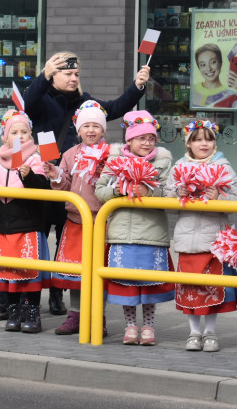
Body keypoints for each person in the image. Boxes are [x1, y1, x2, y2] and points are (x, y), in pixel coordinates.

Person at [23, 52, 150, 317]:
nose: (73, 78)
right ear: (53, 76)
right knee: (38, 237)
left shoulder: (86, 102)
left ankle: (57, 293)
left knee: (64, 241)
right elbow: (28, 101)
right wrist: (44, 75)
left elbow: (115, 108)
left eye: (76, 74)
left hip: (75, 182)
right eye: (67, 74)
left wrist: (137, 86)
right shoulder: (42, 98)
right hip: (45, 177)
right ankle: (29, 300)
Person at [162, 120, 237, 352]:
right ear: (188, 143)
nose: (204, 144)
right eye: (197, 139)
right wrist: (178, 194)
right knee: (190, 288)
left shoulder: (224, 167)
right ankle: (193, 332)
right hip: (187, 238)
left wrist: (219, 196)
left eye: (208, 139)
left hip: (214, 239)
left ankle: (210, 332)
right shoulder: (179, 167)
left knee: (212, 289)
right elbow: (166, 203)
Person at [96, 110, 174, 346]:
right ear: (129, 140)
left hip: (152, 232)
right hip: (121, 233)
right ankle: (130, 326)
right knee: (126, 286)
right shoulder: (115, 161)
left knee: (149, 284)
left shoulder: (163, 162)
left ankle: (149, 326)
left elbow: (170, 190)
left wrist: (149, 191)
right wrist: (118, 191)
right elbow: (100, 191)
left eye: (151, 138)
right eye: (141, 138)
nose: (147, 142)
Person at [0, 109, 51, 333]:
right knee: (10, 273)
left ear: (31, 134)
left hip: (28, 224)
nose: (20, 135)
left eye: (24, 131)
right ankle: (13, 310)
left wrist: (29, 176)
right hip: (4, 226)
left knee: (29, 273)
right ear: (4, 137)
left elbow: (44, 190)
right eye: (14, 132)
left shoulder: (36, 159)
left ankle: (32, 311)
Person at [42, 100, 110, 337]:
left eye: (96, 126)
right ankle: (75, 315)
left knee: (98, 272)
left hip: (102, 223)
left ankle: (97, 317)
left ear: (103, 129)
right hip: (75, 220)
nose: (91, 130)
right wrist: (55, 175)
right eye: (86, 126)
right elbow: (65, 186)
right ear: (78, 129)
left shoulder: (111, 154)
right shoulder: (70, 154)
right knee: (74, 272)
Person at [191, 43, 237, 109]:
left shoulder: (232, 94)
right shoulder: (193, 89)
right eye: (203, 65)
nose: (208, 69)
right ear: (199, 68)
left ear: (221, 63)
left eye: (213, 62)